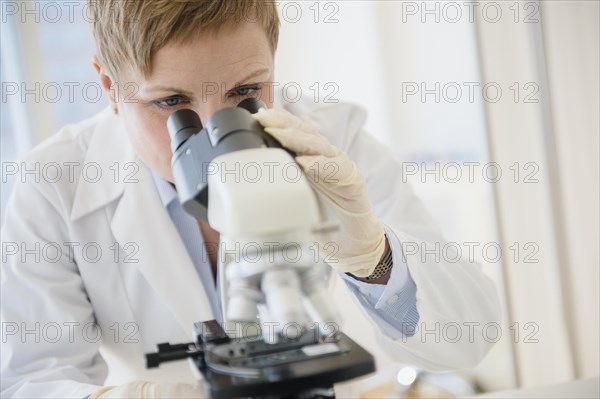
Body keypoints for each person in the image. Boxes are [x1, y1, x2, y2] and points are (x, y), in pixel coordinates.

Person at [0, 1, 501, 398]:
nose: (214, 137)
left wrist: (372, 257)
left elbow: (470, 333)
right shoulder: (53, 184)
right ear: (111, 87)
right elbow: (29, 379)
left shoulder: (334, 140)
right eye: (172, 104)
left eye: (245, 93)